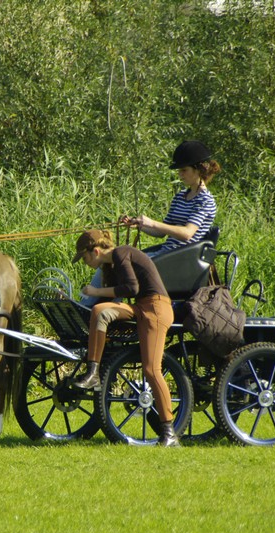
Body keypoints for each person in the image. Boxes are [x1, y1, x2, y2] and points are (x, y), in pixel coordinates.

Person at [71, 229, 179, 447]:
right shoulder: (110, 265)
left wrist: (95, 292)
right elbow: (118, 295)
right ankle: (93, 373)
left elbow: (131, 288)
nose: (84, 262)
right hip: (140, 307)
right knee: (100, 311)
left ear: (96, 251)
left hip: (156, 309)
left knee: (151, 370)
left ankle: (169, 433)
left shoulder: (121, 253)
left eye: (84, 257)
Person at [79, 139, 220, 306]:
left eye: (184, 170)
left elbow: (187, 233)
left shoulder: (205, 201)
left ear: (199, 169)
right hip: (165, 255)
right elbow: (161, 233)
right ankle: (90, 307)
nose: (180, 175)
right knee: (110, 263)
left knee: (121, 265)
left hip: (182, 260)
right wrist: (140, 225)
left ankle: (93, 307)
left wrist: (152, 222)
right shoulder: (180, 197)